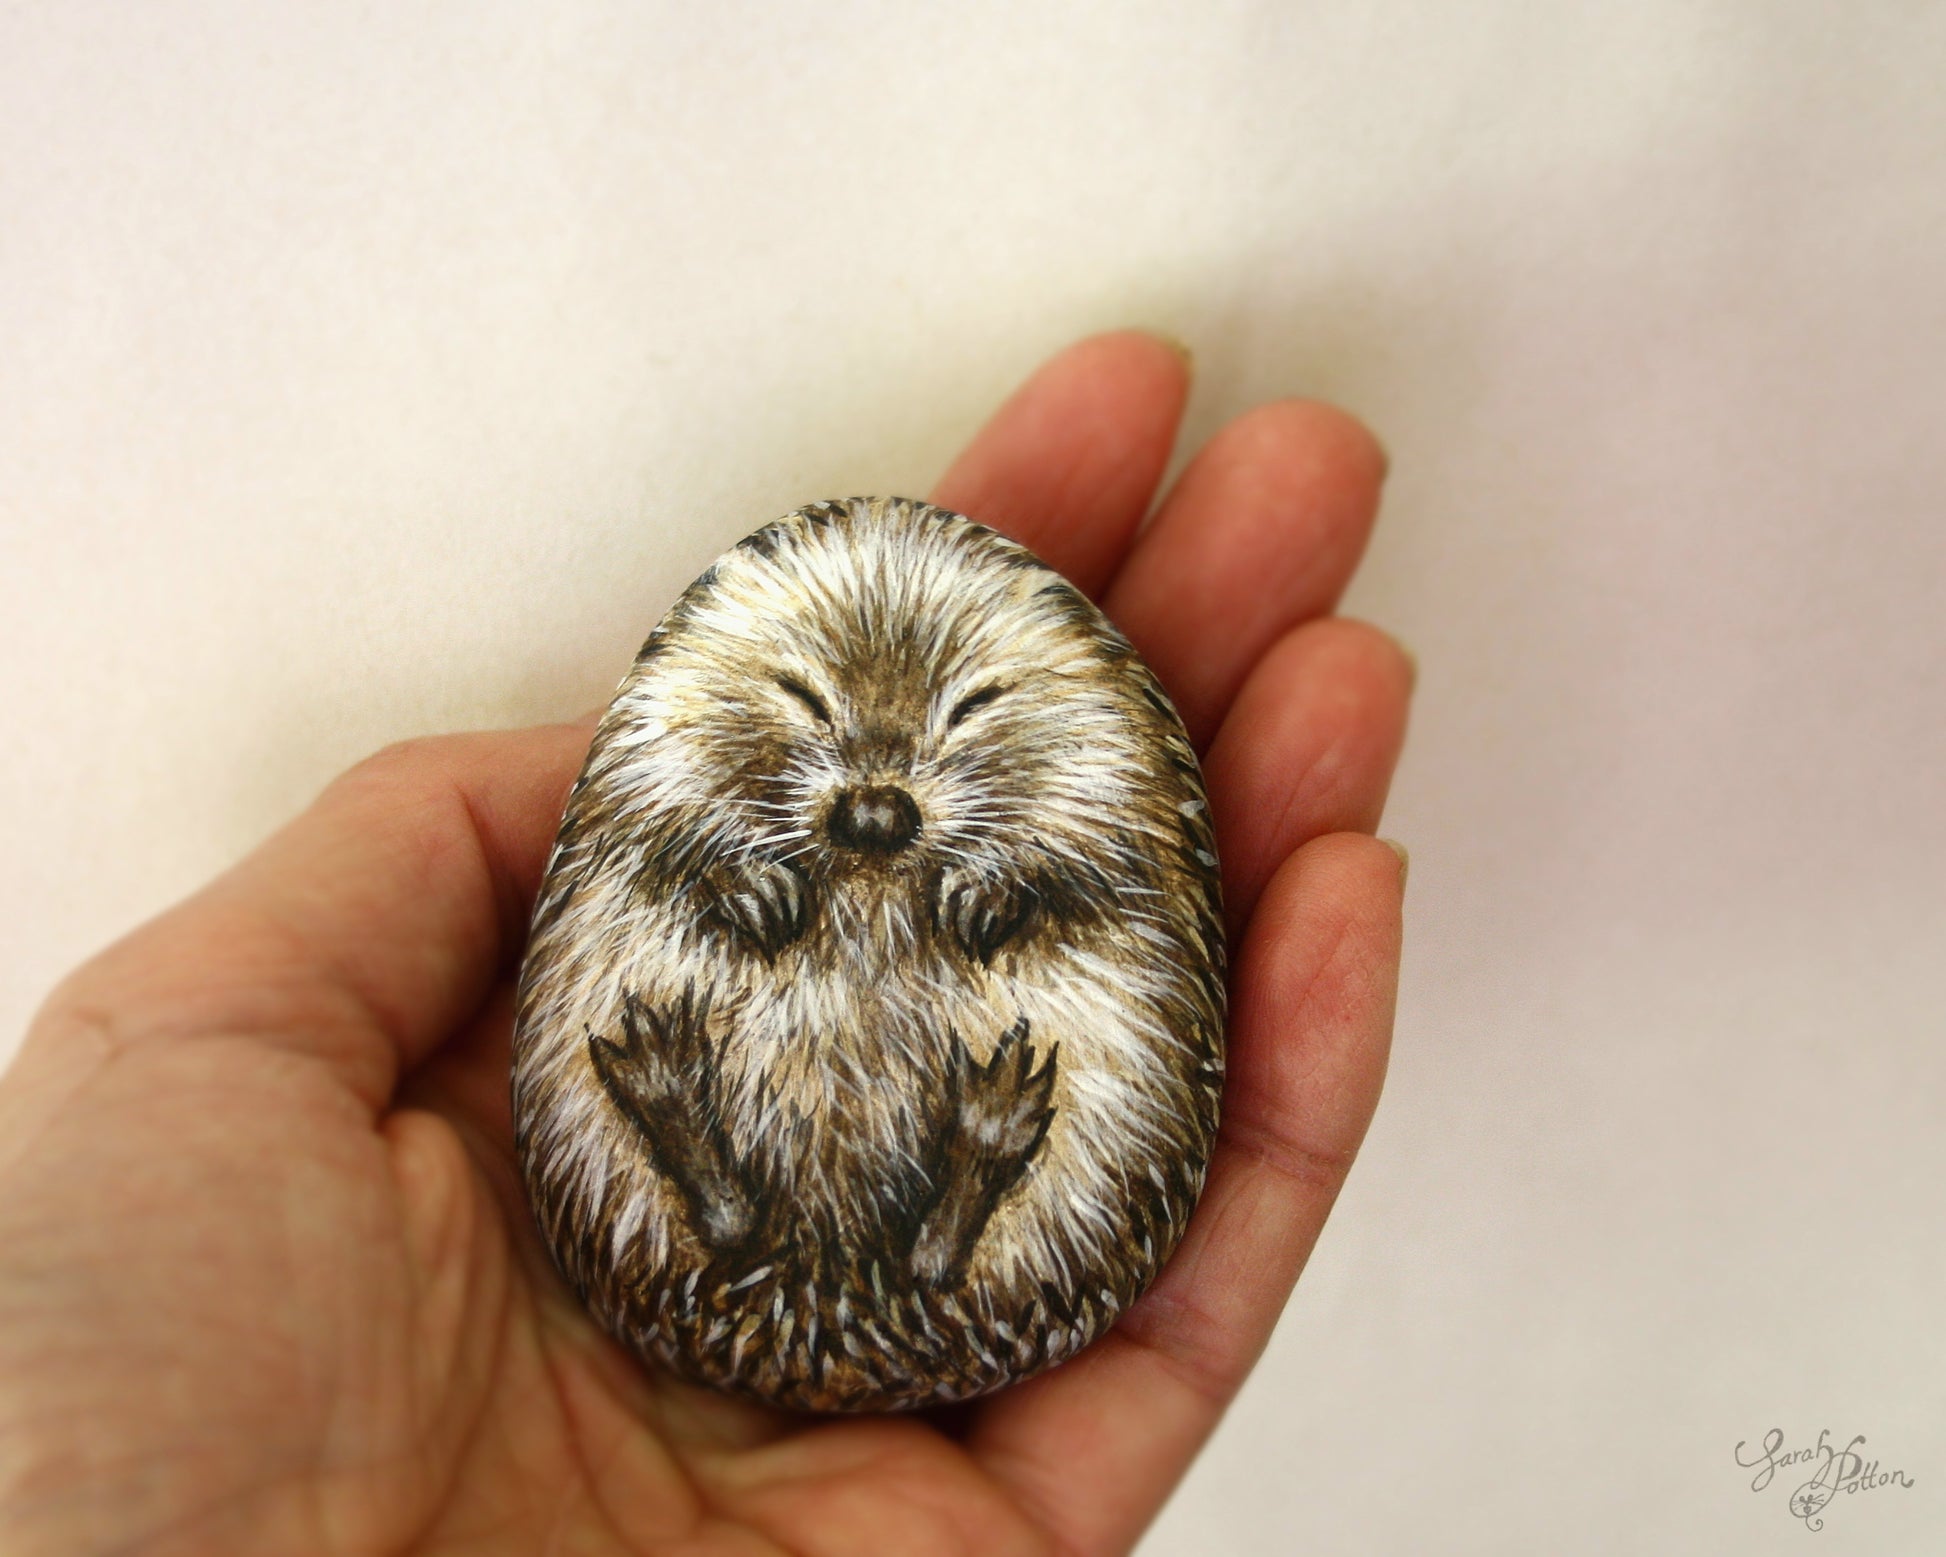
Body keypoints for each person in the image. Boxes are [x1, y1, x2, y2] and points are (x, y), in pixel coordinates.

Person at [0, 331, 1412, 1556]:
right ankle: (841, 1201)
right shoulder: (683, 766)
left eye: (962, 728)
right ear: (745, 692)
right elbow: (661, 849)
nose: (871, 788)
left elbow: (1098, 869)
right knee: (667, 938)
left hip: (923, 1144)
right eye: (802, 711)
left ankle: (883, 1203)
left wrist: (1004, 895)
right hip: (770, 1194)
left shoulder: (1082, 758)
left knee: (1088, 992)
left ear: (1027, 713)